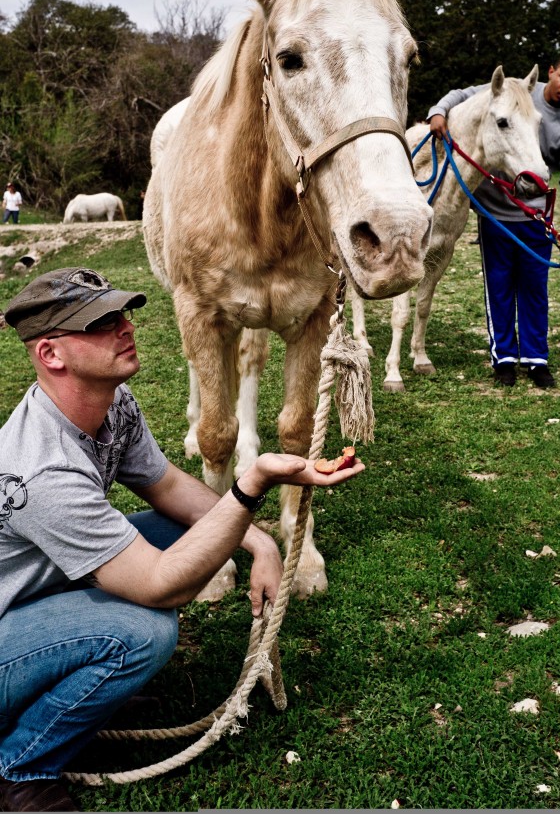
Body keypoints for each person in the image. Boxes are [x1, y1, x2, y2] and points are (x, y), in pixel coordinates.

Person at [0, 267, 364, 812]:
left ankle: (84, 689)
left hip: (35, 595)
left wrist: (260, 542)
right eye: (100, 322)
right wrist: (253, 483)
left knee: (193, 527)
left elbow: (167, 487)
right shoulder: (41, 470)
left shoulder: (111, 402)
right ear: (52, 355)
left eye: (122, 312)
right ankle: (20, 766)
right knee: (143, 632)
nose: (125, 326)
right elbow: (159, 587)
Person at [428, 51, 560, 389]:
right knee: (498, 288)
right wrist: (438, 111)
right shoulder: (516, 91)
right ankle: (503, 359)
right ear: (551, 72)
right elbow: (463, 95)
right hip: (496, 215)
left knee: (534, 288)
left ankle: (536, 359)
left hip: (535, 215)